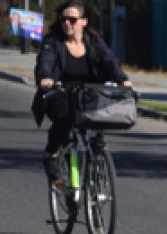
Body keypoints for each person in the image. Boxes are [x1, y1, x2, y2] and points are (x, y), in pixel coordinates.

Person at [31, 0, 132, 181]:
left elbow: (109, 61)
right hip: (59, 92)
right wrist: (45, 79)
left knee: (98, 122)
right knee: (64, 120)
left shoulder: (94, 42)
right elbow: (45, 62)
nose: (67, 24)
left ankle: (96, 174)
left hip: (88, 93)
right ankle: (51, 154)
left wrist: (122, 79)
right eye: (63, 19)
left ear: (84, 21)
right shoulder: (53, 41)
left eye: (72, 19)